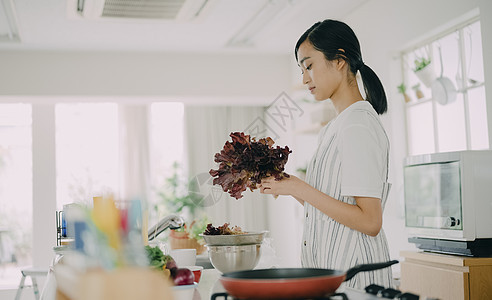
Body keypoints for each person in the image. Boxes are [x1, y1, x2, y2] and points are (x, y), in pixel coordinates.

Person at [259, 19, 393, 289]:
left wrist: (301, 187)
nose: (305, 78)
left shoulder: (358, 124)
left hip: (356, 278)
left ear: (340, 59)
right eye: (301, 70)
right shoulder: (336, 126)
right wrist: (292, 187)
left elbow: (370, 221)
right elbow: (331, 208)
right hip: (333, 273)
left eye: (309, 65)